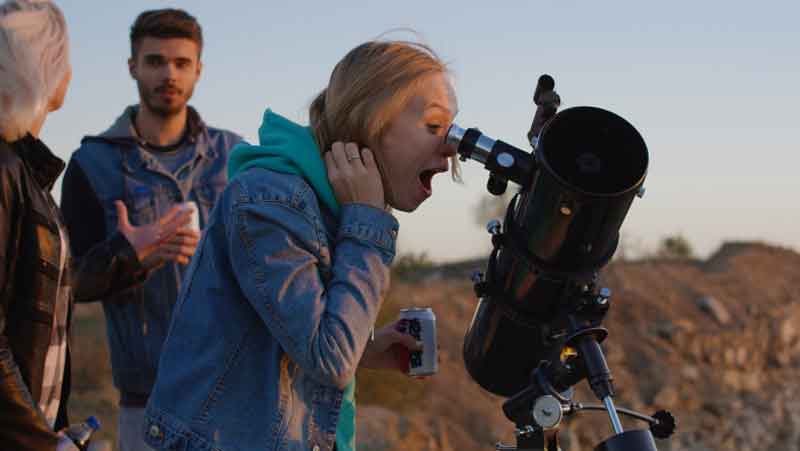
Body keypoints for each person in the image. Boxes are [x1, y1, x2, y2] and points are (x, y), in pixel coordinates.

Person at [143, 40, 459, 451]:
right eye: (434, 127)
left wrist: (365, 346)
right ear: (368, 121)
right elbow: (330, 360)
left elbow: (287, 334)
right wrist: (367, 223)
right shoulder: (269, 200)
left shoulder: (324, 206)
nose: (451, 148)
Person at [0, 1, 192, 450]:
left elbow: (46, 293)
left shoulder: (27, 173)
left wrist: (127, 254)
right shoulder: (11, 171)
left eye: (182, 62)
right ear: (47, 69)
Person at [59, 8, 242, 451]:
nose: (169, 74)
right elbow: (68, 284)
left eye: (181, 63)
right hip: (146, 405)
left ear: (199, 69)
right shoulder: (91, 165)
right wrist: (129, 256)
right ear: (132, 67)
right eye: (155, 61)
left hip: (237, 395)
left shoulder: (235, 156)